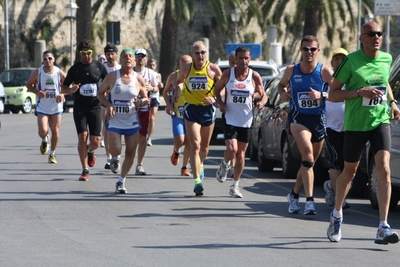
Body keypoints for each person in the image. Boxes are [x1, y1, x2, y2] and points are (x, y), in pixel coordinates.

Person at [327, 22, 400, 244]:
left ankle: (382, 226)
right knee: (349, 173)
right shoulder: (351, 61)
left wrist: (393, 102)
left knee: (385, 169)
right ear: (361, 38)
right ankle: (337, 214)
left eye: (379, 33)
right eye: (371, 34)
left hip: (380, 121)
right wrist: (360, 92)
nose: (376, 37)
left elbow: (385, 82)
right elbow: (333, 94)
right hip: (356, 124)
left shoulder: (387, 59)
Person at [278, 35, 333, 215]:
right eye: (305, 49)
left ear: (318, 51)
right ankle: (310, 202)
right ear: (301, 50)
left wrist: (322, 95)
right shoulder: (292, 70)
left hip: (318, 119)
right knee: (308, 156)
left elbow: (338, 91)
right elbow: (281, 85)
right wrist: (283, 93)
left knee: (309, 163)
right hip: (298, 118)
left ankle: (294, 195)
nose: (309, 52)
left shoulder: (324, 71)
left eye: (312, 49)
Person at [214, 46, 267, 198]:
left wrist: (261, 102)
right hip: (230, 117)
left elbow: (263, 95)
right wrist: (221, 103)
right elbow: (217, 90)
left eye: (246, 58)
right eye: (240, 58)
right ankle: (224, 165)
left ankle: (234, 185)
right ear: (235, 59)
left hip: (246, 119)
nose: (243, 61)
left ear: (250, 59)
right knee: (231, 150)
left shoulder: (254, 76)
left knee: (241, 155)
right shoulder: (228, 74)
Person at [97, 48, 148, 194]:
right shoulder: (113, 76)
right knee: (116, 148)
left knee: (131, 152)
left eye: (130, 56)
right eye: (125, 56)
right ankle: (115, 157)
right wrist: (108, 105)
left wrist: (141, 103)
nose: (128, 58)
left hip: (132, 120)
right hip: (115, 120)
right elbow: (100, 93)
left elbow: (146, 98)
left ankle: (121, 180)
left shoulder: (138, 79)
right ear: (120, 60)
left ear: (134, 61)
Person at [175, 40, 222, 196]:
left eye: (203, 52)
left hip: (208, 109)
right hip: (192, 109)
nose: (200, 55)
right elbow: (180, 82)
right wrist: (178, 91)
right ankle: (197, 182)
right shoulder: (186, 69)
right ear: (192, 55)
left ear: (206, 53)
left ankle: (200, 165)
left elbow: (222, 89)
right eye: (197, 53)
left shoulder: (213, 69)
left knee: (204, 148)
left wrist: (215, 99)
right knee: (195, 144)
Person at [61, 39, 108, 181]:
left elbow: (108, 84)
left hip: (95, 107)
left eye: (88, 53)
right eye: (83, 53)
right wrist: (71, 89)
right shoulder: (75, 69)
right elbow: (63, 88)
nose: (86, 56)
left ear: (92, 53)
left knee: (96, 142)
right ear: (79, 53)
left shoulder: (99, 67)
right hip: (80, 107)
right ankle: (85, 169)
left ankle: (90, 151)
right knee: (82, 137)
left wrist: (105, 93)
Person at [26, 51, 66, 163]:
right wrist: (37, 92)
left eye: (49, 58)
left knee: (55, 130)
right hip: (42, 106)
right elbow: (28, 85)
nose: (47, 61)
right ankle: (44, 139)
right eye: (45, 59)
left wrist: (63, 94)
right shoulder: (37, 72)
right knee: (43, 130)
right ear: (42, 61)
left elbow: (69, 85)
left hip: (56, 106)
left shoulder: (59, 72)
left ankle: (52, 154)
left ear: (53, 59)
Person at [323, 48, 350, 209]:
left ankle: (331, 188)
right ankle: (340, 198)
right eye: (336, 59)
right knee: (337, 162)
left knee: (349, 165)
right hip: (331, 127)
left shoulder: (352, 80)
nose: (340, 62)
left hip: (351, 128)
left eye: (343, 59)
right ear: (332, 63)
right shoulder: (326, 80)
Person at [163, 55, 192, 176]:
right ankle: (176, 151)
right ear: (179, 65)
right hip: (178, 113)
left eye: (188, 63)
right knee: (180, 139)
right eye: (183, 64)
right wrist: (169, 105)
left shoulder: (195, 76)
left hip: (192, 113)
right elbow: (164, 92)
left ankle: (184, 167)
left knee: (190, 141)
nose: (186, 66)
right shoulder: (173, 76)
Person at [133, 48, 159, 175]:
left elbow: (157, 87)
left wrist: (152, 88)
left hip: (144, 109)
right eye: (138, 56)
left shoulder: (150, 73)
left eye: (142, 56)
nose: (140, 58)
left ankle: (139, 164)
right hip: (129, 110)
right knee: (130, 137)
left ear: (146, 59)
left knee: (142, 138)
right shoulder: (129, 71)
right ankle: (120, 158)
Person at [101, 43, 121, 170]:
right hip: (105, 102)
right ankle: (109, 157)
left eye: (112, 53)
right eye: (108, 54)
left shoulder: (120, 68)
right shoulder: (102, 68)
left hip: (120, 102)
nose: (110, 56)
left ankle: (116, 154)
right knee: (108, 129)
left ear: (116, 54)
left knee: (118, 130)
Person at [146, 58, 164, 146]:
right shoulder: (144, 73)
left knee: (152, 118)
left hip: (154, 98)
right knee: (145, 118)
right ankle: (143, 134)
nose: (151, 66)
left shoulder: (158, 75)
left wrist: (161, 85)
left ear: (156, 66)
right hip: (145, 98)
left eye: (153, 65)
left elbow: (160, 84)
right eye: (150, 65)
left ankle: (149, 138)